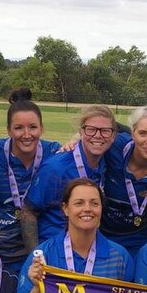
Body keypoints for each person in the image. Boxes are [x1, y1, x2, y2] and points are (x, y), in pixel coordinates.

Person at [0, 88, 61, 274]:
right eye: (19, 128)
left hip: (43, 250)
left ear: (42, 129)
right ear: (8, 130)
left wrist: (75, 140)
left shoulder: (55, 153)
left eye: (33, 127)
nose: (26, 135)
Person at [21, 105, 116, 249]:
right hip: (54, 250)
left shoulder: (106, 160)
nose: (98, 135)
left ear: (113, 136)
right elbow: (28, 211)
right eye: (91, 129)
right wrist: (36, 256)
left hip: (88, 247)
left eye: (105, 131)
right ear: (81, 132)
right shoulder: (56, 168)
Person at [101, 105, 147, 257]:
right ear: (133, 133)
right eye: (142, 133)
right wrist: (75, 140)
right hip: (103, 233)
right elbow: (89, 143)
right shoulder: (114, 146)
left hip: (142, 236)